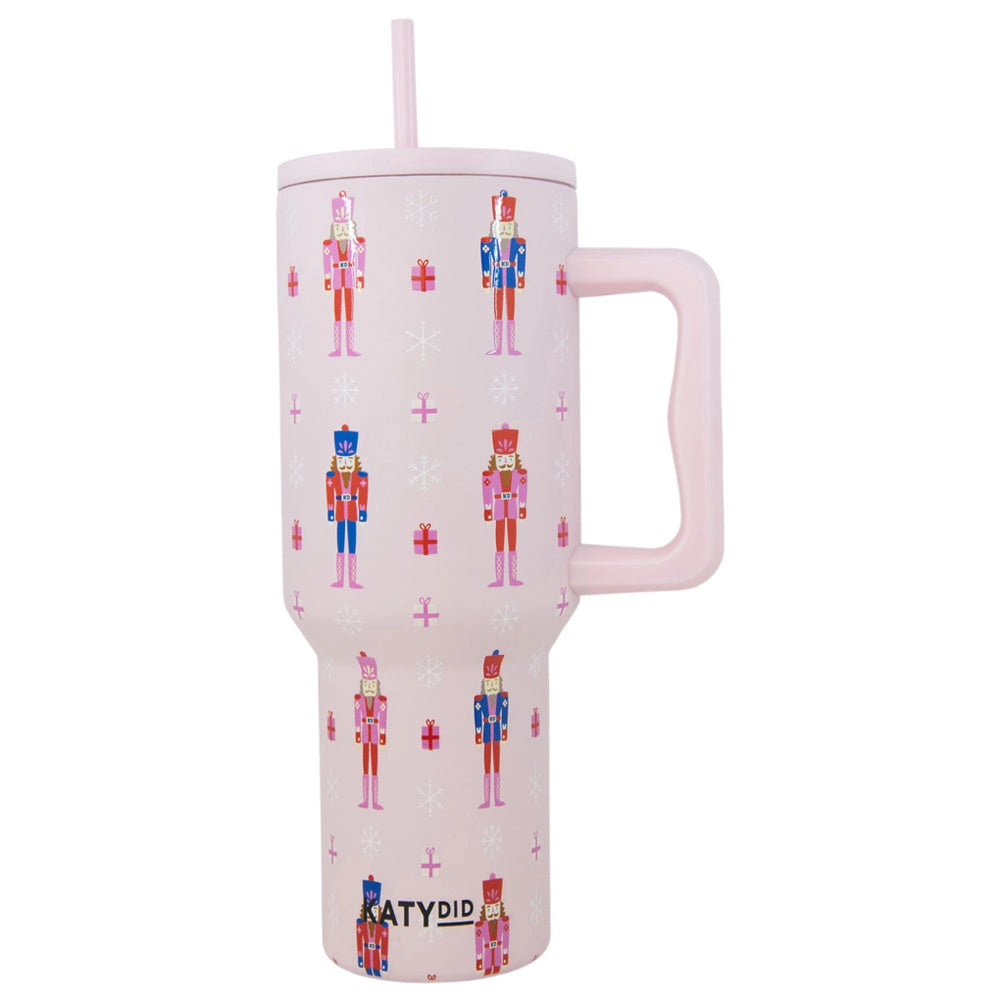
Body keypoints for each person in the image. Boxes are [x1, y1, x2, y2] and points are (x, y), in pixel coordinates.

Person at [480, 189, 526, 355]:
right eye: (502, 227)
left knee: (511, 311)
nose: (505, 230)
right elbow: (485, 262)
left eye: (508, 227)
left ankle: (511, 347)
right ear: (495, 227)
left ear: (513, 228)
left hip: (511, 277)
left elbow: (522, 263)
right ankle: (498, 347)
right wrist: (486, 281)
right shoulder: (488, 243)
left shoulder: (519, 244)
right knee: (498, 311)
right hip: (497, 278)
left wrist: (521, 282)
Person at [481, 423, 527, 587]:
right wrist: (488, 512)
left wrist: (522, 510)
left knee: (513, 542)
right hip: (499, 509)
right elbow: (487, 493)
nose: (505, 463)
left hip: (513, 508)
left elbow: (523, 491)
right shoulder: (489, 476)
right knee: (499, 543)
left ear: (514, 459)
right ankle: (499, 579)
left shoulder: (520, 474)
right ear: (496, 459)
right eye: (501, 459)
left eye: (509, 459)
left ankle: (513, 578)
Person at [323, 190, 366, 357]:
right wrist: (327, 281)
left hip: (349, 278)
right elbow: (326, 264)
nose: (341, 230)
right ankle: (337, 348)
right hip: (336, 279)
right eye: (338, 228)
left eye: (345, 228)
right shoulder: (329, 246)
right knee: (336, 312)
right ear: (334, 229)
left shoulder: (357, 244)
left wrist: (360, 279)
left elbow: (361, 260)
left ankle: (349, 348)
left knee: (349, 312)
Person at [326, 424, 369, 589]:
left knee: (352, 545)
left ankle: (352, 581)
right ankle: (339, 580)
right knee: (339, 544)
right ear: (337, 461)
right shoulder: (332, 477)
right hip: (339, 513)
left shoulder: (360, 477)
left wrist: (362, 513)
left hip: (352, 513)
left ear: (354, 461)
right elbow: (329, 493)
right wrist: (330, 513)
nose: (345, 464)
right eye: (342, 461)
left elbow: (363, 493)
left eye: (349, 460)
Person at [473, 650, 508, 809]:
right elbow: (477, 719)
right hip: (487, 735)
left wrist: (505, 735)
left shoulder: (503, 698)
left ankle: (497, 799)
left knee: (497, 765)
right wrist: (478, 738)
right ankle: (487, 800)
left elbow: (505, 715)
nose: (492, 686)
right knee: (487, 766)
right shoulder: (479, 700)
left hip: (497, 734)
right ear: (484, 685)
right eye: (489, 684)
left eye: (494, 683)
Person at [354, 652, 387, 810]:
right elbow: (356, 719)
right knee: (364, 766)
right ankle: (364, 800)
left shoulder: (381, 702)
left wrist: (382, 739)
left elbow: (383, 721)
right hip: (364, 736)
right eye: (366, 685)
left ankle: (375, 802)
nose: (369, 688)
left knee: (374, 768)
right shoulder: (358, 701)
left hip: (374, 737)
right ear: (362, 686)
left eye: (372, 685)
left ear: (376, 686)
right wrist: (357, 737)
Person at [474, 872, 510, 976]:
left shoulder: (503, 922)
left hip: (498, 951)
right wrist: (479, 961)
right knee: (488, 969)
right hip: (487, 954)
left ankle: (497, 966)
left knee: (497, 967)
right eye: (489, 909)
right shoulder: (481, 926)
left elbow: (506, 938)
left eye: (496, 907)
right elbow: (478, 943)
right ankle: (488, 968)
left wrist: (505, 955)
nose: (493, 912)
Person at [356, 874, 389, 976]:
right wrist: (360, 958)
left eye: (374, 910)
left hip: (376, 956)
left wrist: (384, 961)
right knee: (368, 970)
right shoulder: (362, 925)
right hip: (366, 955)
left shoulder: (382, 927)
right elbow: (359, 941)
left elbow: (384, 944)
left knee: (376, 971)